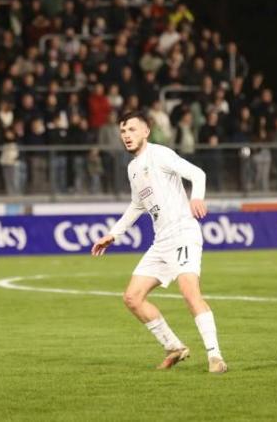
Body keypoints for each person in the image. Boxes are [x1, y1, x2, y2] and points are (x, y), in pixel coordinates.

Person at [91, 111, 227, 374]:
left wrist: (196, 197)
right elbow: (137, 204)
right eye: (123, 131)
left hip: (183, 232)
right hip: (162, 240)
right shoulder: (132, 168)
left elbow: (197, 173)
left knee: (189, 292)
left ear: (146, 132)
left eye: (132, 130)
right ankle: (174, 347)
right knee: (132, 297)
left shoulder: (160, 154)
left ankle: (215, 356)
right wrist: (114, 234)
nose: (126, 136)